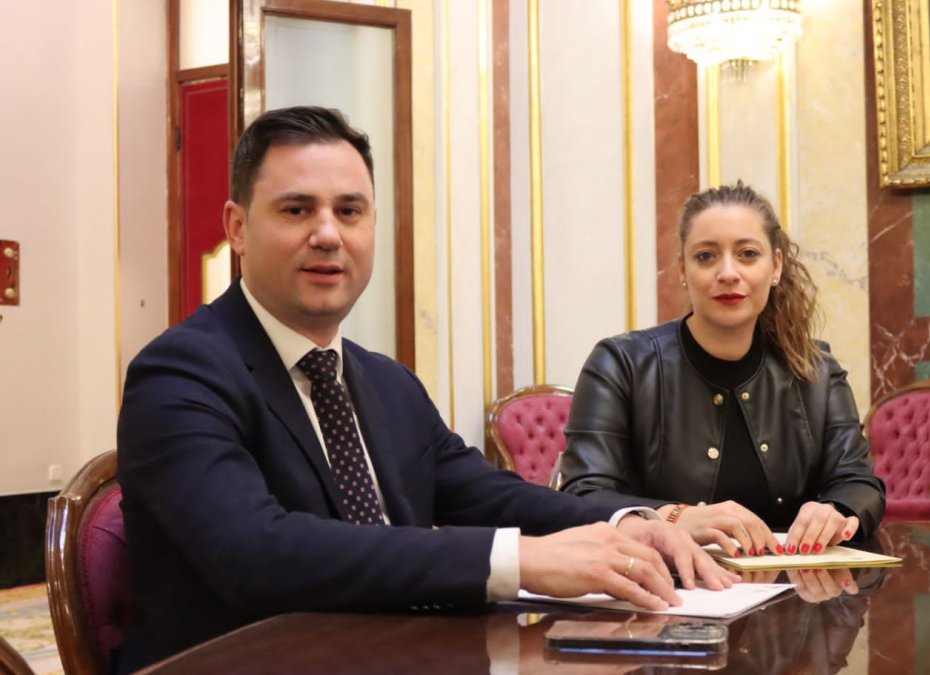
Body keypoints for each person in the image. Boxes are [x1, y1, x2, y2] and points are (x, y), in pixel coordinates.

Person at [115, 106, 733, 674]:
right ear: (238, 227)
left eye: (349, 211)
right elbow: (257, 553)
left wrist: (630, 520)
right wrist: (522, 560)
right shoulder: (181, 372)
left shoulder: (385, 381)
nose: (328, 234)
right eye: (297, 209)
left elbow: (487, 495)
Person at [559, 181, 885, 560]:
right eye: (706, 256)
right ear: (683, 270)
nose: (728, 273)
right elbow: (583, 493)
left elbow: (859, 482)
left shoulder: (817, 371)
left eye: (748, 254)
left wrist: (836, 511)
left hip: (794, 596)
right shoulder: (620, 363)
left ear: (775, 266)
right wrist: (675, 516)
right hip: (661, 593)